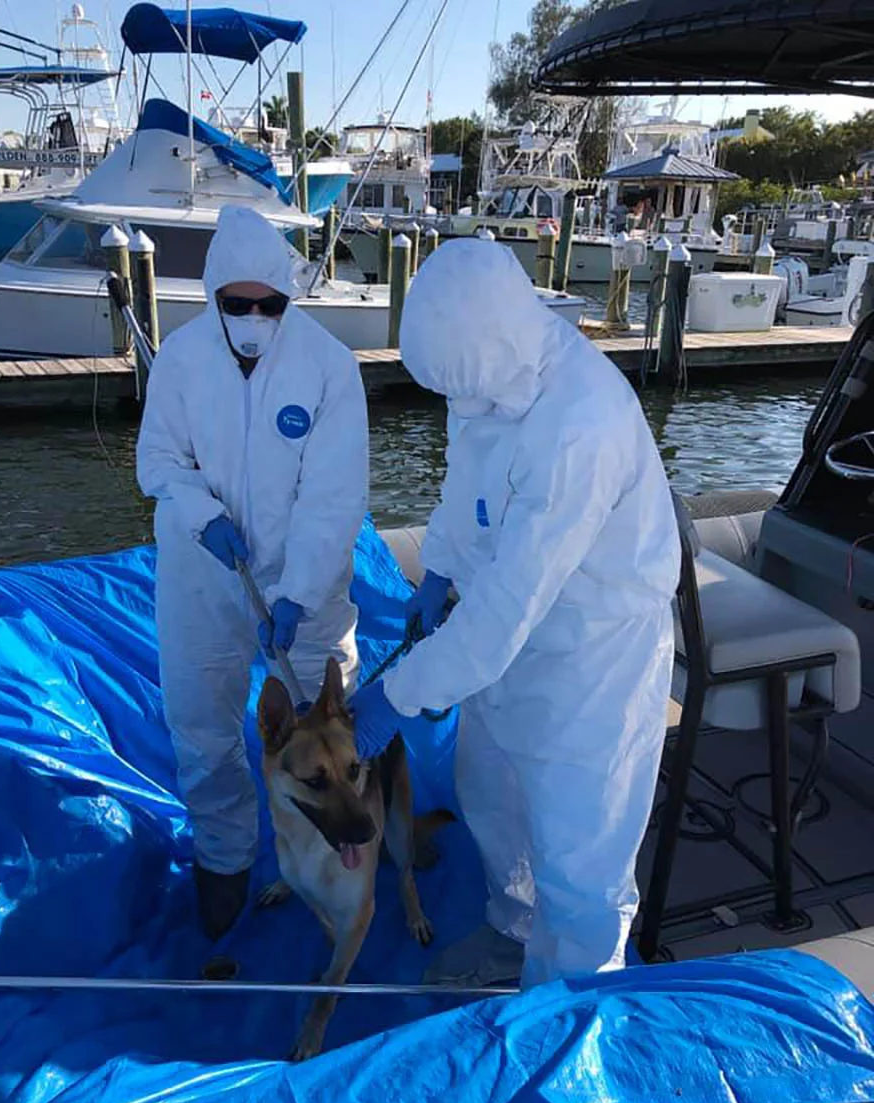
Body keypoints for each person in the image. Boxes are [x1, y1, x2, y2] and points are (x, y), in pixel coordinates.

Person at [349, 238, 679, 989]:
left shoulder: (579, 423)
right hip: (514, 636)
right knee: (492, 792)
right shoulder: (490, 377)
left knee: (577, 845)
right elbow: (468, 486)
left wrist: (395, 698)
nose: (457, 409)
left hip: (593, 650)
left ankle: (575, 1002)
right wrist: (437, 569)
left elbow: (502, 615)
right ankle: (511, 931)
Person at [137, 205, 368, 940]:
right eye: (237, 305)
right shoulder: (179, 359)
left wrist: (297, 593)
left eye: (269, 304)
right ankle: (224, 857)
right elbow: (161, 464)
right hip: (202, 575)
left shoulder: (330, 368)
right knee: (202, 723)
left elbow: (334, 499)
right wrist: (202, 514)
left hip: (305, 587)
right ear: (213, 299)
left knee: (330, 728)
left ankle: (338, 850)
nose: (253, 316)